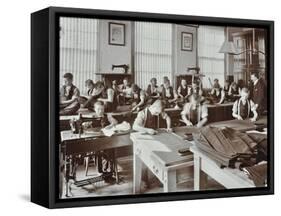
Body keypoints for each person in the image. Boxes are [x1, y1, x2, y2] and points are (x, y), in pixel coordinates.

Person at [85, 101, 118, 182]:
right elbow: (85, 126)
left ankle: (109, 171)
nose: (100, 111)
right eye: (98, 109)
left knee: (110, 149)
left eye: (102, 109)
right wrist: (85, 125)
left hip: (105, 139)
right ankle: (101, 171)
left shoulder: (107, 116)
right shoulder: (92, 117)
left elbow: (115, 122)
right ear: (95, 109)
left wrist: (110, 125)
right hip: (95, 141)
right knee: (99, 150)